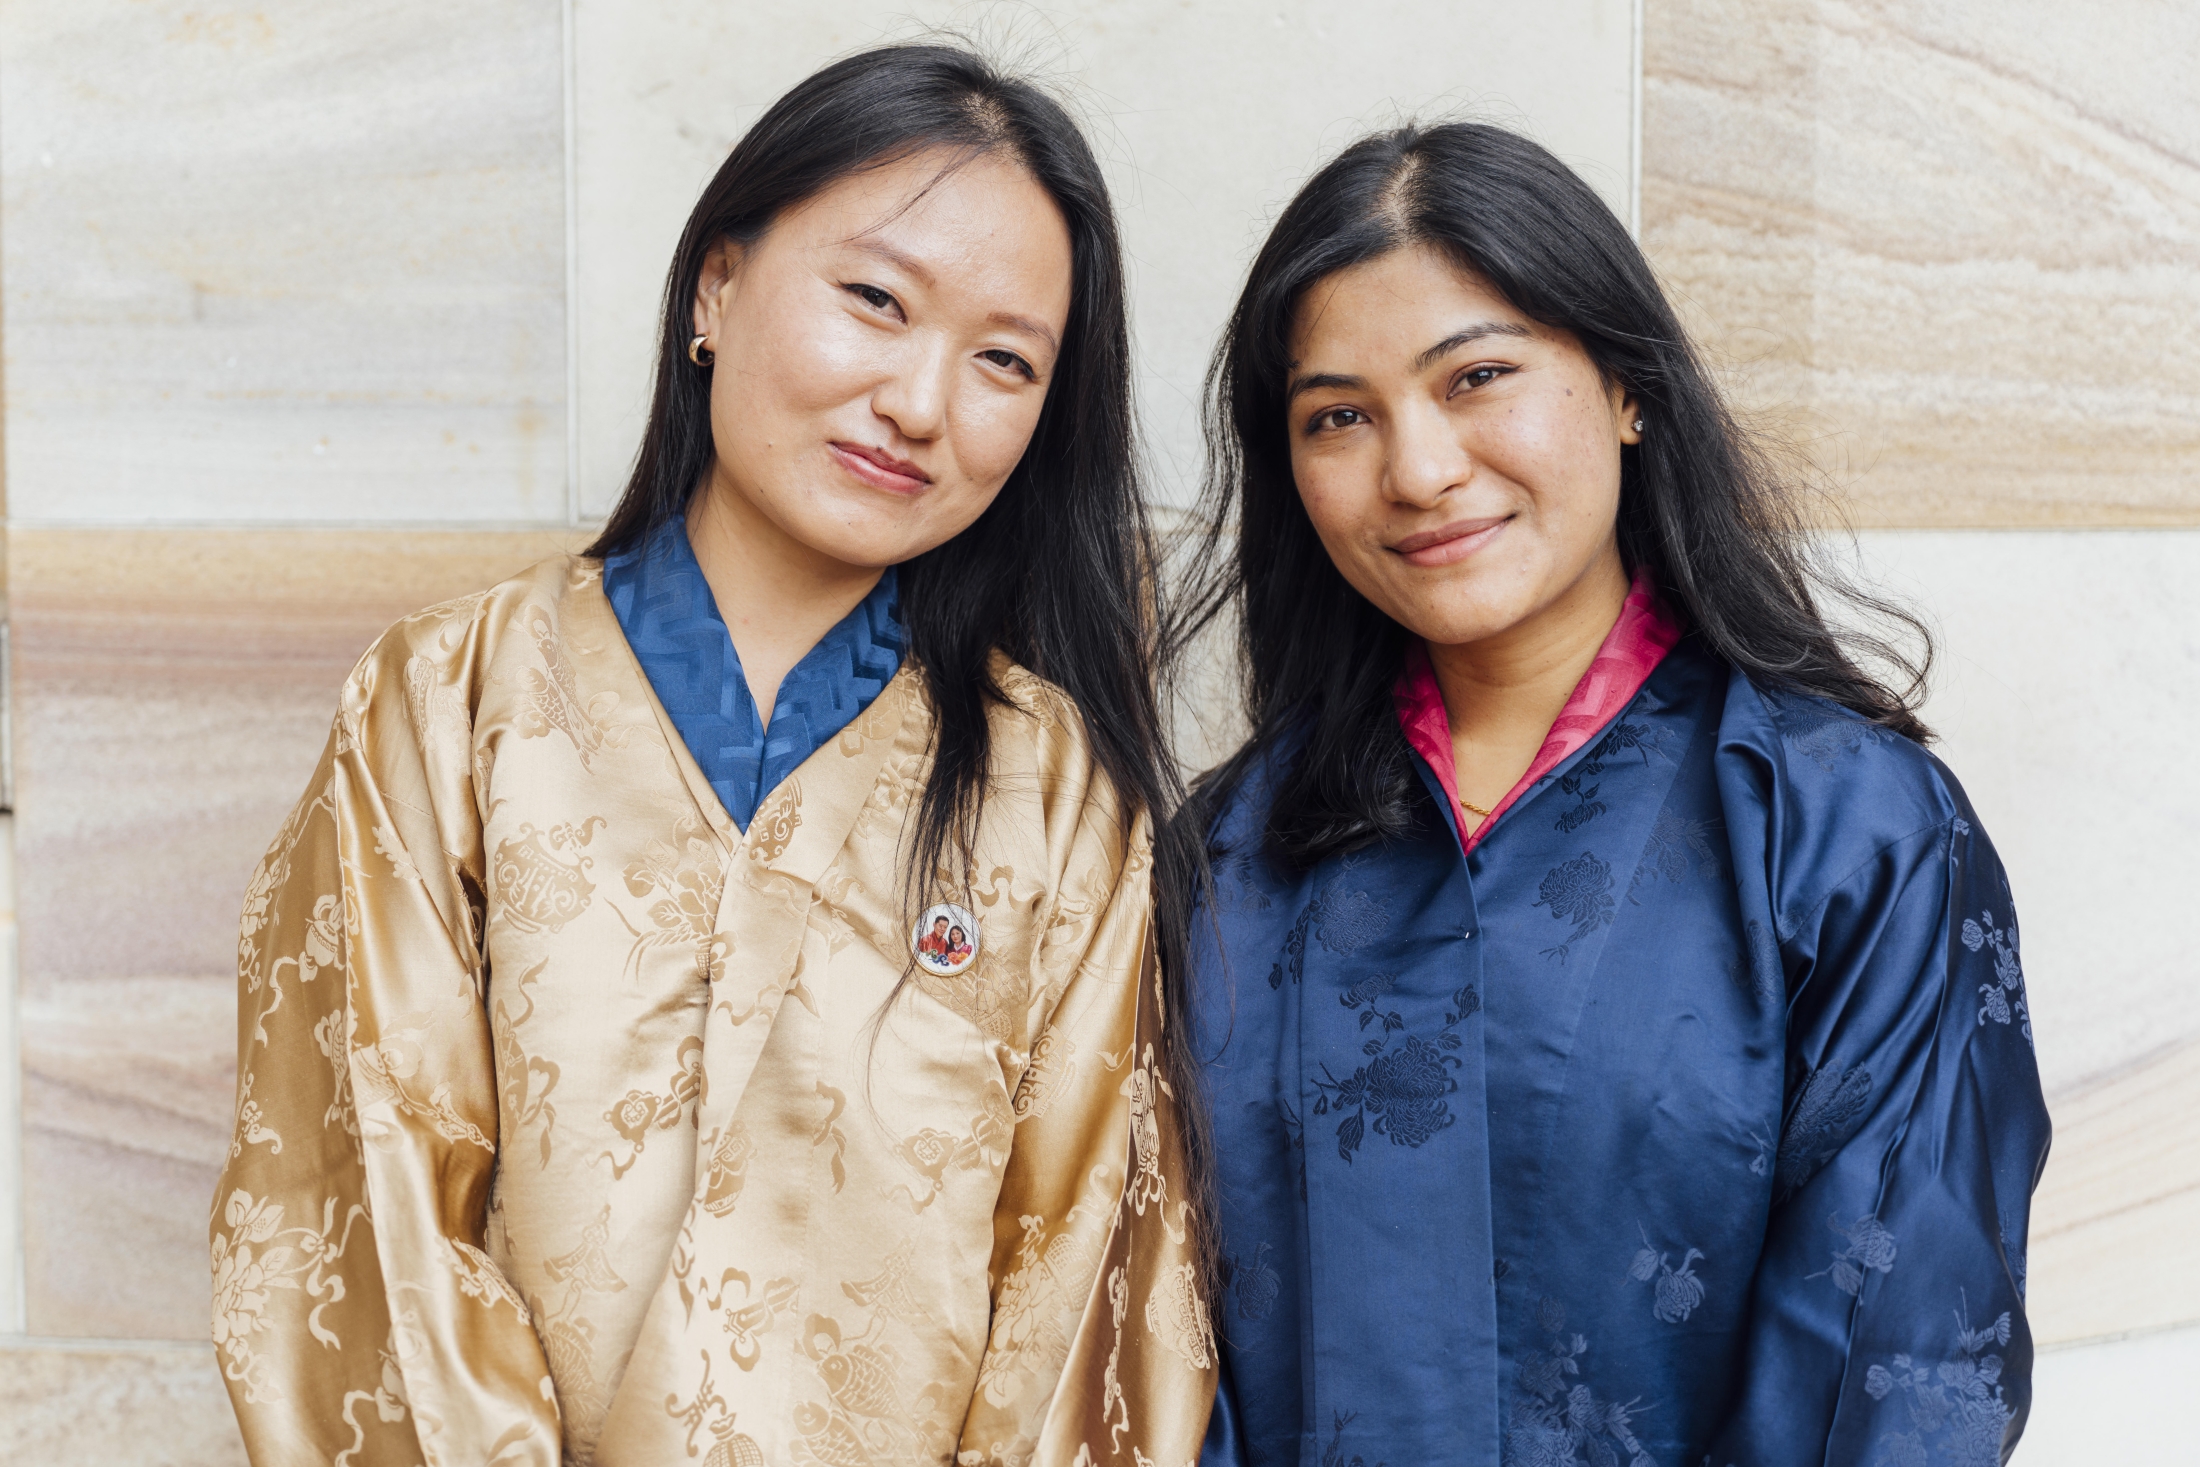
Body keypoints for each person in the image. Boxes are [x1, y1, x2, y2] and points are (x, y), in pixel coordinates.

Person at [211, 45, 1215, 1467]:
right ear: (717, 285)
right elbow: (362, 1217)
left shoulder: (1057, 796)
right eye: (875, 300)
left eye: (1003, 360)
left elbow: (1084, 1303)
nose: (922, 402)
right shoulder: (449, 701)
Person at [1175, 122, 2049, 1466]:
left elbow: (1896, 1372)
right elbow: (1137, 1355)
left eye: (1477, 377)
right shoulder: (1220, 860)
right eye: (1337, 415)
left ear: (1626, 387)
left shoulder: (1848, 838)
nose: (1417, 469)